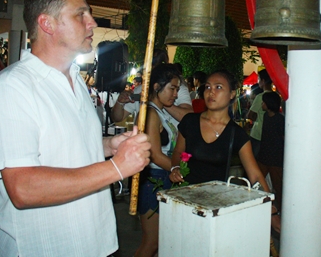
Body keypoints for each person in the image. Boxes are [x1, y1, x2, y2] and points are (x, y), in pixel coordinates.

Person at [0, 0, 151, 257]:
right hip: (42, 247)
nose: (92, 22)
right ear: (47, 24)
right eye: (81, 14)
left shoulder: (75, 80)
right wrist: (117, 168)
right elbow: (23, 188)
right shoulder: (13, 87)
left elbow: (60, 146)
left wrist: (108, 146)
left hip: (93, 241)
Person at [169, 69, 281, 233]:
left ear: (232, 94)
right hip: (184, 200)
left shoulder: (236, 134)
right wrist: (175, 168)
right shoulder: (190, 121)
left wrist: (272, 211)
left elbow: (255, 176)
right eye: (207, 87)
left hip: (215, 207)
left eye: (218, 87)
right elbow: (178, 153)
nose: (210, 92)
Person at [135, 64, 180, 257]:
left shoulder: (162, 112)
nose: (176, 94)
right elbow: (155, 155)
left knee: (162, 240)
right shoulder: (151, 113)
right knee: (151, 242)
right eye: (172, 88)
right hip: (153, 179)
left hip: (165, 178)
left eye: (177, 89)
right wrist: (183, 170)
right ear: (156, 86)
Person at [111, 49, 193, 127]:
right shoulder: (140, 90)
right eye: (152, 64)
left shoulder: (178, 88)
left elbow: (188, 117)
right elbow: (118, 118)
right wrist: (120, 102)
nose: (175, 94)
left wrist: (160, 100)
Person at [256, 91, 285, 212]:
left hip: (275, 158)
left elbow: (283, 139)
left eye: (263, 102)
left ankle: (282, 211)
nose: (262, 104)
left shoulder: (280, 120)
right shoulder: (266, 116)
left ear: (269, 104)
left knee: (278, 186)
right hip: (264, 155)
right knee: (258, 184)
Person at [248, 69, 273, 158]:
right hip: (270, 133)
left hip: (258, 133)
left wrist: (257, 118)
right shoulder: (276, 96)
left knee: (254, 159)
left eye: (259, 79)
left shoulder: (260, 97)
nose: (258, 82)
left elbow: (250, 115)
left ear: (263, 81)